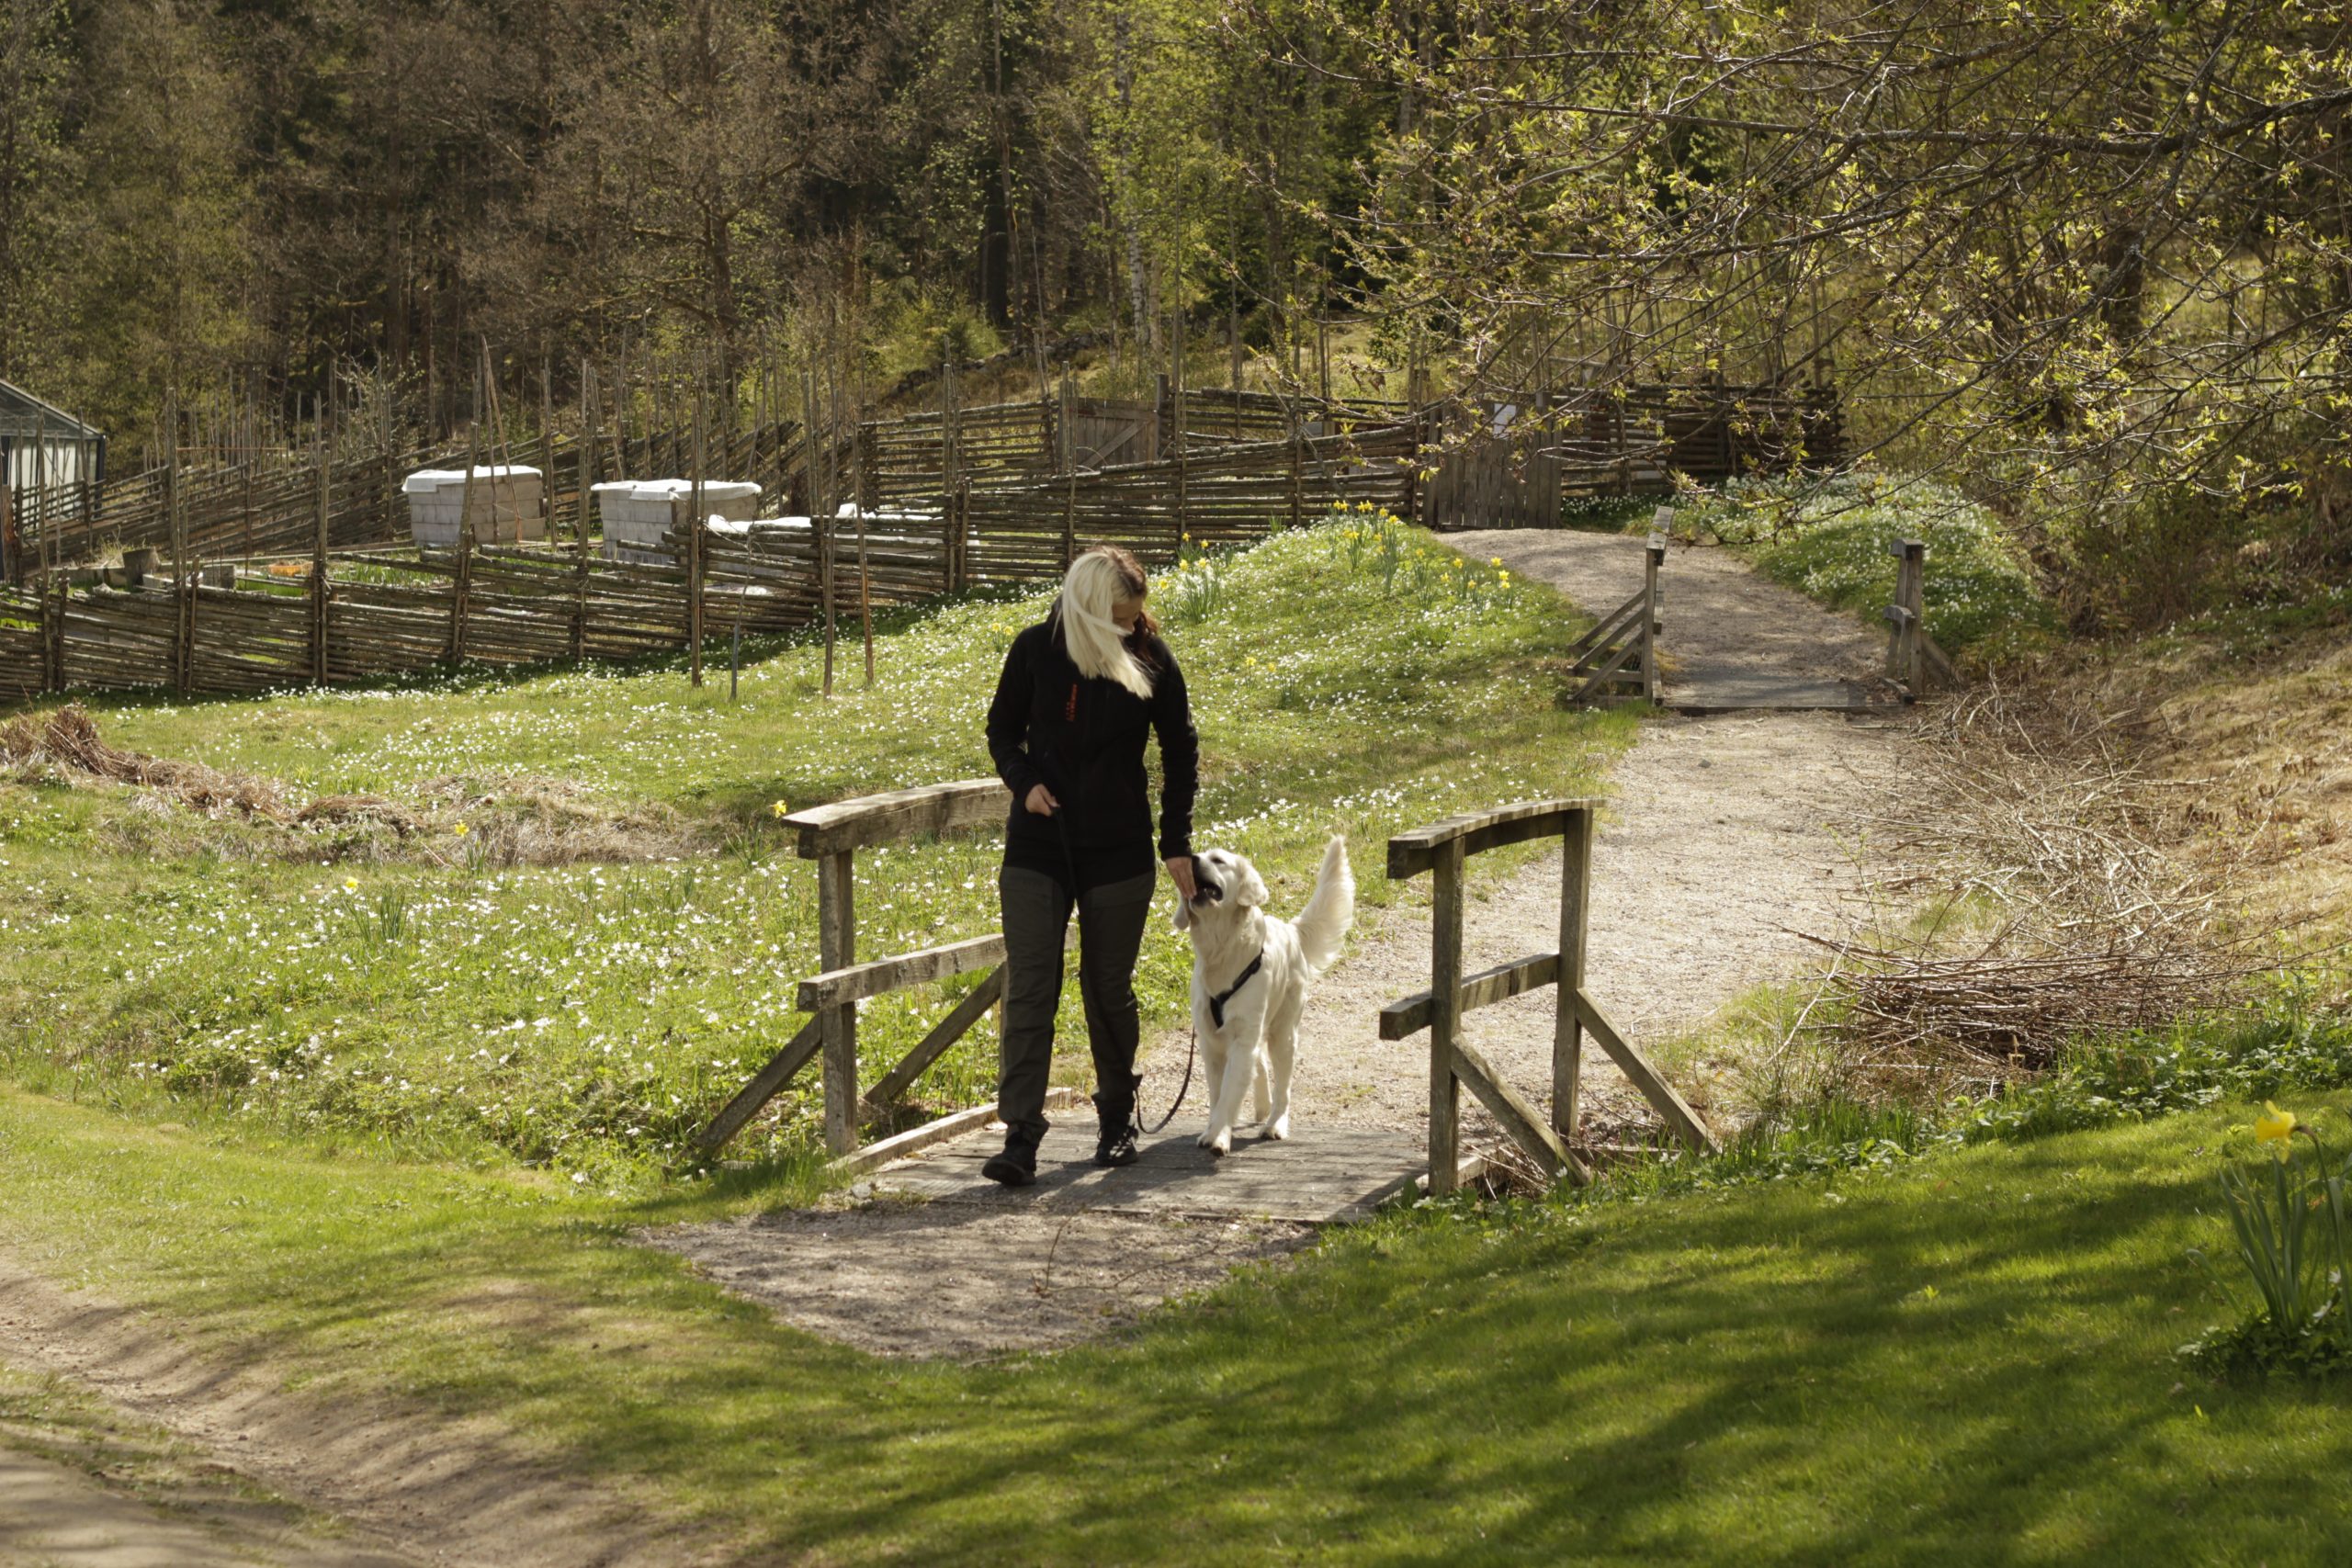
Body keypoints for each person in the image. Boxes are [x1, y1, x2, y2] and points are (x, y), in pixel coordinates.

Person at [980, 544, 1199, 1185]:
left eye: (1138, 616)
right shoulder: (1033, 650)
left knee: (1107, 988)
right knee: (1030, 986)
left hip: (1120, 847)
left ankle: (1115, 1121)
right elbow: (1000, 729)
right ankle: (1020, 1136)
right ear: (1091, 612)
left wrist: (1176, 840)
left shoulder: (1151, 656)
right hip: (1038, 845)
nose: (1135, 627)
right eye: (1124, 617)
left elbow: (1181, 747)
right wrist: (1023, 782)